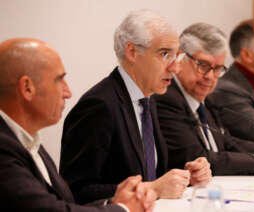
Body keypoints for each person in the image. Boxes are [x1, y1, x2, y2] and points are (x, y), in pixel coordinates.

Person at [60, 9, 211, 205]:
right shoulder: (99, 106)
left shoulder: (147, 98)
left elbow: (148, 171)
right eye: (165, 54)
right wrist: (152, 188)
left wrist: (187, 176)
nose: (174, 67)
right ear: (132, 52)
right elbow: (76, 190)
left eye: (177, 56)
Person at [0, 38, 157, 212]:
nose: (68, 92)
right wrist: (123, 209)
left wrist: (113, 203)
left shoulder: (28, 140)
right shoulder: (4, 147)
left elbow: (65, 204)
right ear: (27, 88)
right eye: (59, 80)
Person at [153, 22, 254, 176]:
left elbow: (227, 143)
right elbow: (197, 158)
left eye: (217, 69)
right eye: (202, 65)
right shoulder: (167, 98)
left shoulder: (205, 98)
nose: (210, 76)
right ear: (180, 58)